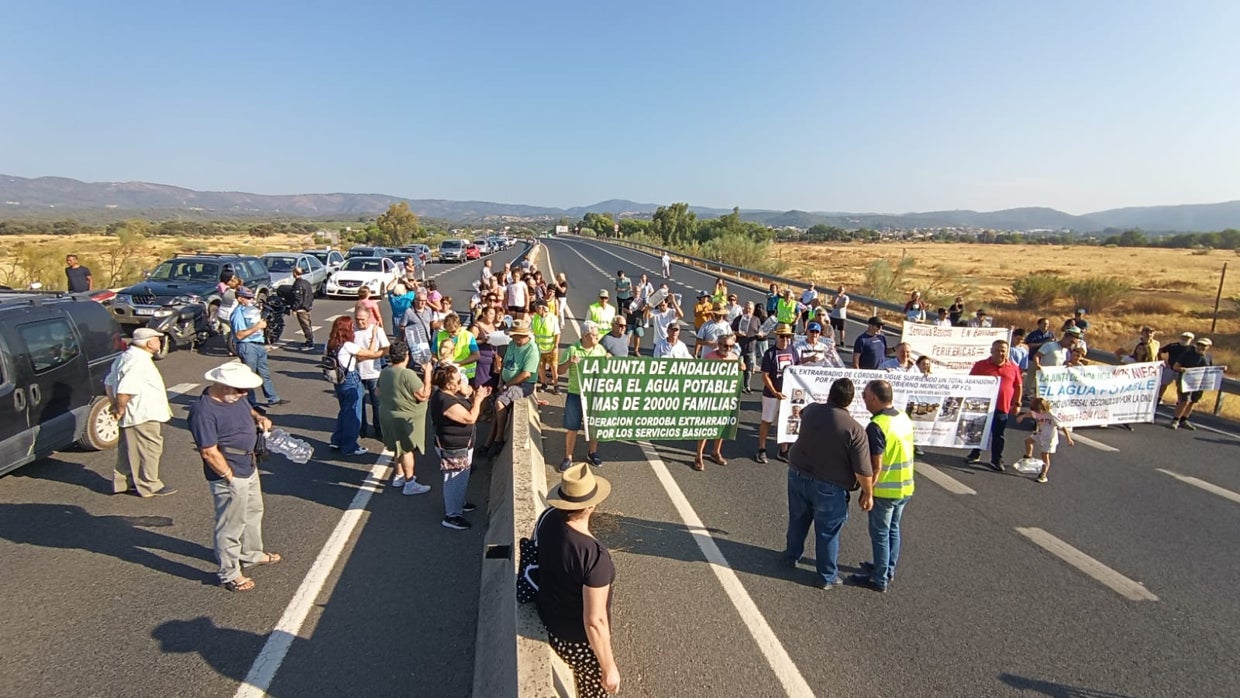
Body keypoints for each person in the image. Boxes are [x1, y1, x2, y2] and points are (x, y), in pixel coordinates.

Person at [188, 362, 279, 592]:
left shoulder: (237, 398)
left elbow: (247, 408)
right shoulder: (204, 411)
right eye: (239, 389)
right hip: (229, 474)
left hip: (248, 464)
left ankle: (251, 554)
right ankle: (229, 573)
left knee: (254, 511)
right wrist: (229, 476)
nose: (244, 394)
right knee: (231, 523)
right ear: (222, 384)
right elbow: (209, 451)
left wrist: (258, 418)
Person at [537, 463, 619, 697]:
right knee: (593, 690)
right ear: (591, 505)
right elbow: (595, 621)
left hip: (549, 619)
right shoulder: (594, 556)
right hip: (576, 641)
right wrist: (608, 667)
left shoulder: (548, 518)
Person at [783, 377, 873, 589]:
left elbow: (803, 412)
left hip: (798, 474)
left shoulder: (813, 410)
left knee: (797, 520)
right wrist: (868, 493)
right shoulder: (855, 430)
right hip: (830, 487)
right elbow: (863, 470)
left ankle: (790, 556)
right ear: (850, 401)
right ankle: (826, 577)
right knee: (827, 532)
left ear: (830, 394)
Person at [849, 379, 914, 593]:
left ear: (875, 398)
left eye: (866, 396)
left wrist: (867, 492)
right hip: (905, 486)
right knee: (893, 530)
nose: (864, 400)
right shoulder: (902, 417)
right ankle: (887, 569)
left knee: (880, 534)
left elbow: (875, 466)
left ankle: (879, 578)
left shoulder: (877, 426)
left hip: (885, 489)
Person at [105, 328, 175, 497]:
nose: (160, 342)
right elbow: (125, 390)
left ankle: (124, 482)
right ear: (149, 342)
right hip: (142, 413)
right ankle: (149, 485)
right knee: (149, 449)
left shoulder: (124, 357)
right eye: (158, 339)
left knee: (128, 449)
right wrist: (119, 408)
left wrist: (114, 405)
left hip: (132, 413)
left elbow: (108, 382)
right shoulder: (139, 362)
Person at [431, 364, 491, 530]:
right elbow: (470, 418)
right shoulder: (445, 401)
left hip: (461, 445)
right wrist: (478, 400)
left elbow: (467, 395)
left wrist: (469, 393)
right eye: (458, 381)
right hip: (453, 447)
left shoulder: (449, 394)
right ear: (449, 385)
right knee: (453, 480)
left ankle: (459, 502)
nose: (461, 383)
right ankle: (452, 515)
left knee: (461, 478)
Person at [379, 341, 434, 495]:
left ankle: (399, 475)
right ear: (406, 356)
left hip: (387, 414)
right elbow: (424, 395)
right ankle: (410, 483)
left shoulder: (385, 371)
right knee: (407, 449)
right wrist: (427, 373)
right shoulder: (407, 374)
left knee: (397, 447)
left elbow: (378, 392)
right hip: (404, 418)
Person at [326, 315, 384, 455]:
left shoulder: (330, 344)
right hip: (351, 380)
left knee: (344, 411)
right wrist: (374, 335)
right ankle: (350, 446)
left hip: (338, 381)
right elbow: (370, 353)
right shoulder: (348, 345)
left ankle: (336, 440)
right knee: (353, 414)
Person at [484, 322, 540, 456]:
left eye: (513, 335)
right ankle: (488, 441)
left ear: (521, 335)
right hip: (506, 382)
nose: (511, 337)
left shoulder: (531, 350)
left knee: (500, 403)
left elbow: (526, 374)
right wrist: (500, 381)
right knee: (496, 408)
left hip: (522, 385)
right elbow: (504, 364)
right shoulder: (512, 344)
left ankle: (498, 439)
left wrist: (506, 385)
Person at [967, 340, 1023, 471]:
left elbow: (1018, 386)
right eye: (997, 350)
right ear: (991, 351)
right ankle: (975, 454)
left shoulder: (1013, 367)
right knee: (978, 431)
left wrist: (1017, 404)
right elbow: (970, 383)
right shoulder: (980, 365)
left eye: (1003, 350)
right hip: (983, 406)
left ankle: (996, 459)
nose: (1000, 353)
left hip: (1002, 407)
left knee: (998, 434)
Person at [558, 323, 607, 471]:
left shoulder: (600, 350)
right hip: (576, 393)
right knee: (572, 427)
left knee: (593, 425)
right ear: (586, 336)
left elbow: (606, 369)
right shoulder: (572, 349)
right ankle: (568, 457)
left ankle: (592, 452)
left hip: (593, 393)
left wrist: (608, 359)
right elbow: (559, 370)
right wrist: (569, 362)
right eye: (595, 334)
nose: (598, 337)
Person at [230, 287, 288, 408]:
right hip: (247, 346)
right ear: (240, 298)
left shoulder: (250, 310)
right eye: (247, 298)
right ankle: (250, 403)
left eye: (252, 297)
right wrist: (257, 327)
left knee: (264, 373)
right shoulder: (237, 314)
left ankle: (273, 398)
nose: (251, 300)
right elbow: (239, 335)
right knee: (249, 376)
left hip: (259, 345)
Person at [756, 323, 800, 464]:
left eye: (788, 337)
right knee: (767, 421)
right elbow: (765, 376)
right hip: (771, 394)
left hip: (787, 395)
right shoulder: (770, 353)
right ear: (776, 337)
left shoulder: (793, 351)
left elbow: (797, 370)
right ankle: (761, 448)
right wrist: (775, 392)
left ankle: (783, 450)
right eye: (782, 337)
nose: (785, 339)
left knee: (786, 421)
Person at [693, 335, 738, 471]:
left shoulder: (733, 358)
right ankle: (698, 455)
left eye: (731, 346)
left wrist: (741, 367)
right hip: (710, 397)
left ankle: (716, 451)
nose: (728, 349)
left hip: (725, 397)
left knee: (721, 425)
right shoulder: (709, 357)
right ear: (719, 344)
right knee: (706, 426)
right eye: (725, 345)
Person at [1016, 397, 1074, 483]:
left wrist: (1069, 439)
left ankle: (1043, 474)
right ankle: (1028, 456)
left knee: (1044, 456)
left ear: (1043, 409)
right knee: (1028, 441)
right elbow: (1030, 413)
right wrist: (1022, 416)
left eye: (1038, 411)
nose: (1036, 413)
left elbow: (1063, 427)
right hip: (1040, 434)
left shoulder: (1052, 415)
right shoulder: (1037, 412)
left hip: (1049, 439)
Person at [353, 309, 391, 440]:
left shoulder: (377, 330)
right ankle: (361, 429)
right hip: (357, 374)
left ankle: (379, 430)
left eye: (362, 319)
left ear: (368, 319)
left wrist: (370, 356)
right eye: (357, 319)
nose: (360, 322)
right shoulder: (352, 331)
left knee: (377, 404)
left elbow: (386, 349)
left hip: (374, 373)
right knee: (359, 403)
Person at [1170, 337, 1214, 430]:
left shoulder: (1208, 357)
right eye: (1199, 344)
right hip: (1185, 381)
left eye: (1203, 346)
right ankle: (1175, 420)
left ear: (1208, 347)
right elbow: (1175, 366)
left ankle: (1184, 419)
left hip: (1198, 383)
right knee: (1184, 400)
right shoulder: (1188, 354)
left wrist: (1221, 370)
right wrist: (1183, 369)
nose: (1200, 347)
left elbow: (1209, 369)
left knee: (1192, 401)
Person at [434, 312, 480, 383]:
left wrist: (459, 363)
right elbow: (433, 354)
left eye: (453, 332)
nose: (450, 334)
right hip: (445, 375)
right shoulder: (440, 335)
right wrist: (438, 363)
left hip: (465, 375)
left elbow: (476, 356)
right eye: (447, 331)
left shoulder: (468, 336)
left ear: (460, 326)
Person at [732, 301, 764, 393]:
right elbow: (731, 331)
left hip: (751, 349)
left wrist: (760, 335)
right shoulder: (738, 319)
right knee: (740, 369)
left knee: (749, 370)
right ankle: (739, 387)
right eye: (746, 308)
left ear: (753, 310)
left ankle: (747, 386)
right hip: (739, 349)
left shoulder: (756, 319)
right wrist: (737, 333)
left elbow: (760, 331)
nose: (748, 310)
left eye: (750, 309)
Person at [531, 300, 562, 393]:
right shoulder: (535, 318)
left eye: (537, 307)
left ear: (542, 308)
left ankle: (556, 385)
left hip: (551, 348)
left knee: (553, 368)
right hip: (539, 349)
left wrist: (555, 347)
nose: (535, 309)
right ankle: (544, 384)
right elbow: (531, 331)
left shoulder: (552, 318)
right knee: (541, 367)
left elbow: (557, 333)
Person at [1157, 331, 1195, 403]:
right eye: (1184, 337)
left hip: (1182, 371)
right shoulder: (1173, 346)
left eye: (1187, 338)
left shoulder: (1192, 349)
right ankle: (1158, 398)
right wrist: (1162, 361)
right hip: (1170, 369)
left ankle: (1179, 401)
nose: (1185, 339)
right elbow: (1160, 351)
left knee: (1180, 387)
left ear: (1191, 339)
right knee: (1163, 384)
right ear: (1181, 337)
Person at [470, 305, 502, 389]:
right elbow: (470, 343)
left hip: (493, 361)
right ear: (484, 314)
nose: (493, 316)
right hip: (481, 361)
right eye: (491, 314)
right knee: (480, 386)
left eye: (494, 314)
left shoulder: (494, 326)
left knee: (492, 386)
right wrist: (483, 341)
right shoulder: (476, 326)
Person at [401, 291, 436, 362]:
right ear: (415, 301)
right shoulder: (408, 312)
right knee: (413, 362)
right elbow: (402, 326)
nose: (423, 303)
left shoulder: (428, 310)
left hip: (427, 340)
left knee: (427, 361)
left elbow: (431, 323)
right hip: (415, 343)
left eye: (424, 301)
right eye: (420, 301)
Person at [289, 266, 316, 350]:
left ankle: (310, 343)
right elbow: (311, 295)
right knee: (308, 324)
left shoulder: (298, 284)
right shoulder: (306, 282)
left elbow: (298, 298)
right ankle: (309, 341)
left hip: (302, 308)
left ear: (294, 273)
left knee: (305, 325)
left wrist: (294, 308)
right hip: (307, 307)